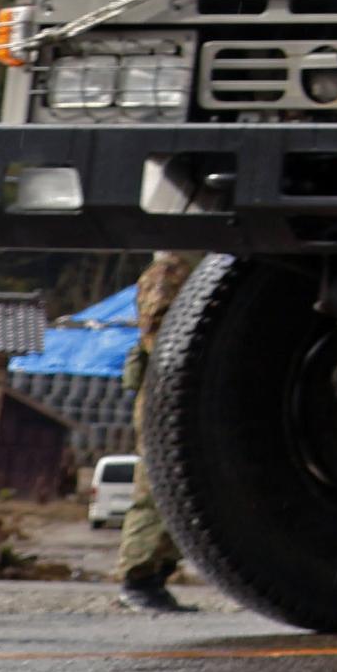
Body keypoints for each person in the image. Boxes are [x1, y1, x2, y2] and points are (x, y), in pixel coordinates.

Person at [118, 249, 198, 614]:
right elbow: (158, 331)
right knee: (154, 485)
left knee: (183, 489)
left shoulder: (191, 266)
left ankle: (157, 573)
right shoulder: (170, 269)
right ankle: (138, 577)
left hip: (183, 390)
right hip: (166, 391)